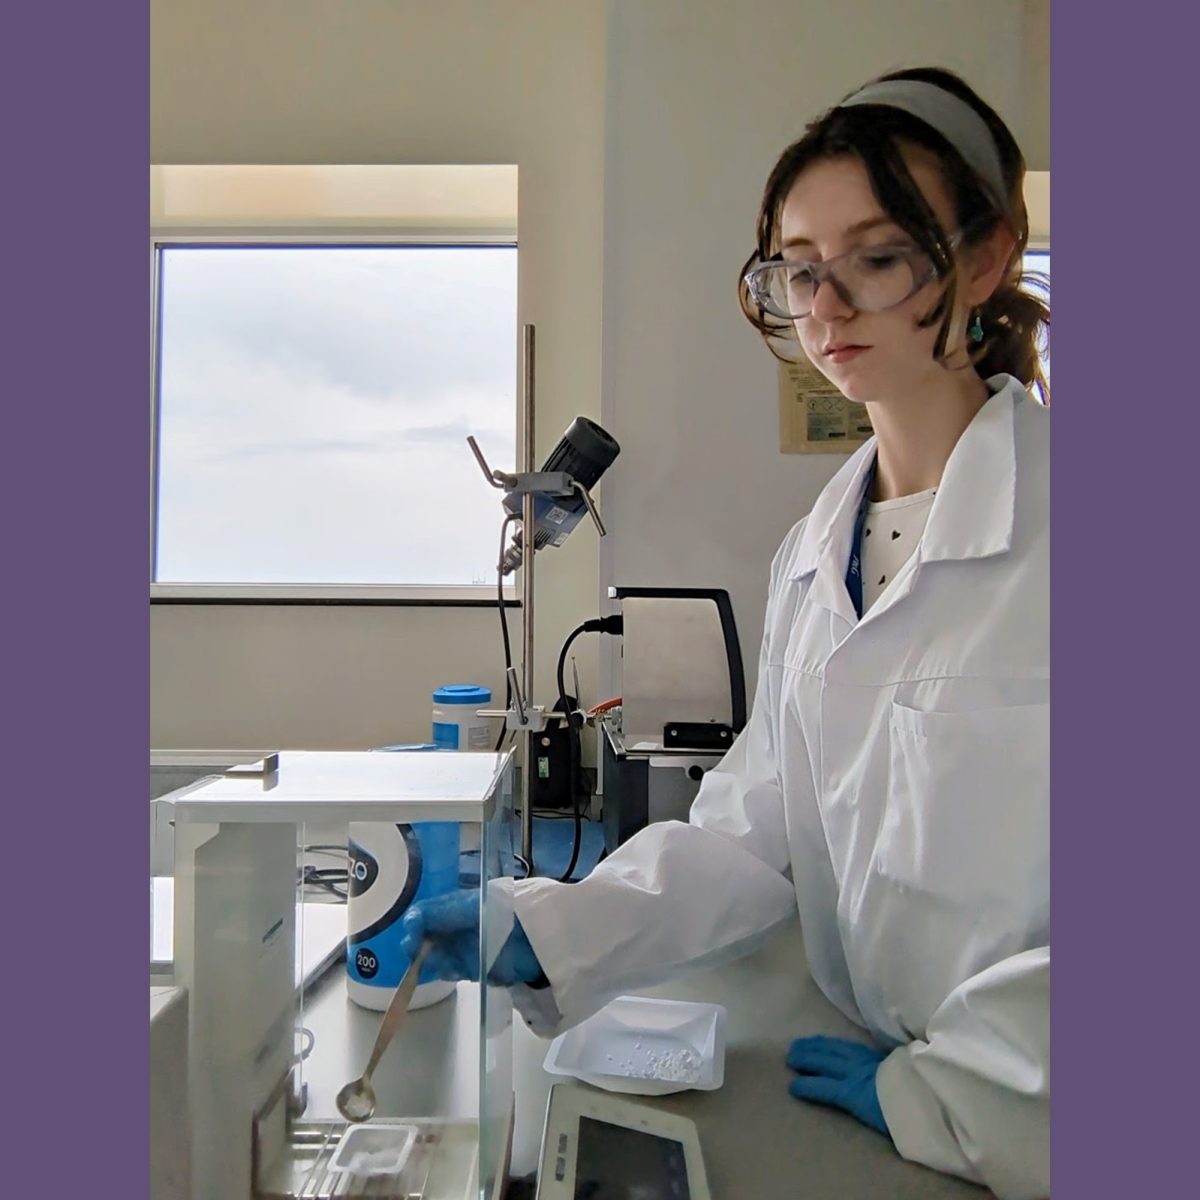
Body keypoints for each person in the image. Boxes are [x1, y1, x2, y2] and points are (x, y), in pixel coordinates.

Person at [403, 66, 1049, 1200]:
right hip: (872, 1086)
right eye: (800, 269)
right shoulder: (815, 551)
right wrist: (557, 931)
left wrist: (983, 1094)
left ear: (987, 257)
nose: (827, 309)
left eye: (878, 258)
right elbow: (757, 830)